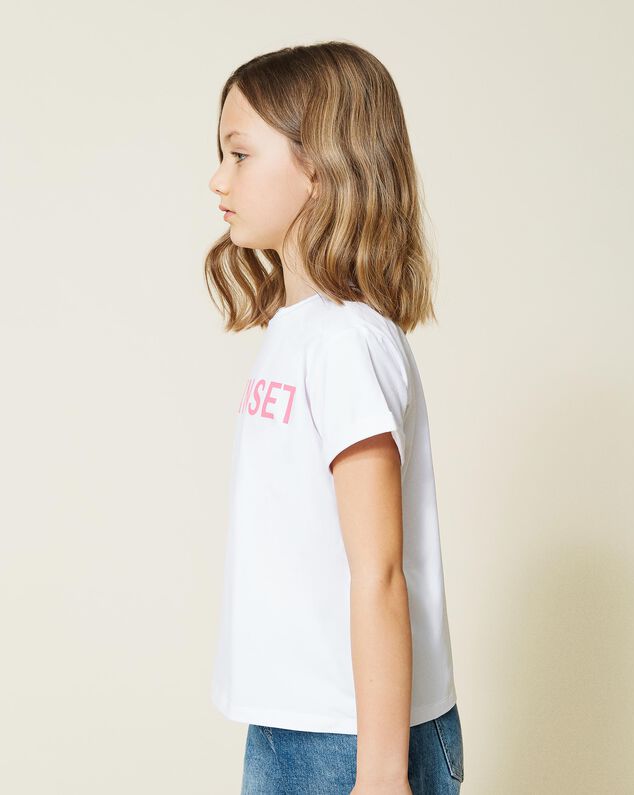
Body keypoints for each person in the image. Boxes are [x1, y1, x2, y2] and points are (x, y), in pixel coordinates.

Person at [205, 41, 464, 795]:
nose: (218, 178)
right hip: (288, 723)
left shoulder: (347, 342)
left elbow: (378, 570)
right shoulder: (298, 332)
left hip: (352, 739)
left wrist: (381, 774)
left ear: (320, 167)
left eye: (240, 154)